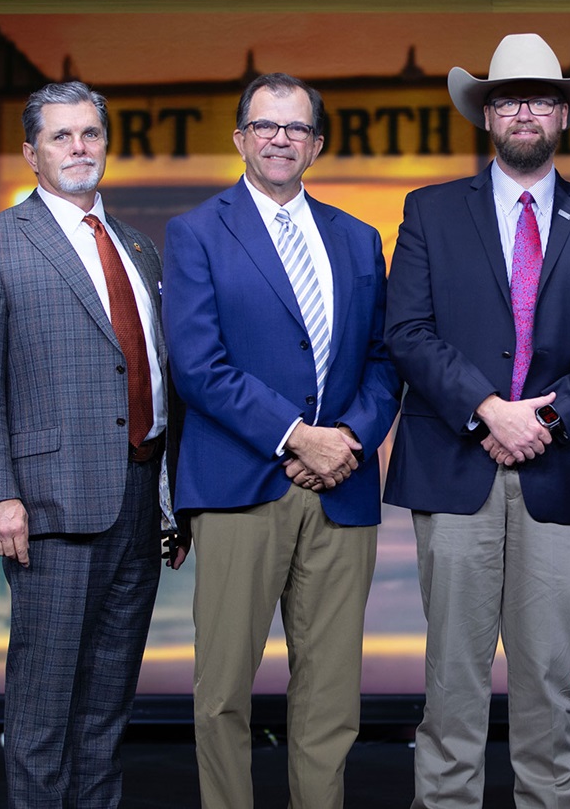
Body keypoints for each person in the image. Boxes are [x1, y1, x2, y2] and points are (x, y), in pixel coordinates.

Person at [384, 33, 570, 809]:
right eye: (507, 99)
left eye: (540, 98)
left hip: (559, 470)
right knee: (452, 677)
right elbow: (408, 330)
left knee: (546, 678)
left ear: (563, 114)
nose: (523, 111)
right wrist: (487, 408)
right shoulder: (429, 212)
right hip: (456, 467)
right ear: (485, 115)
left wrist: (551, 417)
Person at [163, 73, 400, 809]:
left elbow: (386, 360)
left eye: (295, 128)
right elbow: (198, 365)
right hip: (240, 487)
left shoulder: (359, 239)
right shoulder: (196, 232)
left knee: (331, 699)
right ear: (240, 138)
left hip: (342, 491)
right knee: (223, 695)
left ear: (317, 145)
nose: (279, 138)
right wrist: (299, 437)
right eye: (264, 125)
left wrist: (349, 441)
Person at [0, 80, 184, 809]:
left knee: (109, 704)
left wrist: (172, 498)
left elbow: (154, 371)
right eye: (61, 136)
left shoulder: (138, 246)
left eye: (90, 135)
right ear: (31, 152)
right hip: (50, 506)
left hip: (141, 500)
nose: (79, 148)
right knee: (46, 704)